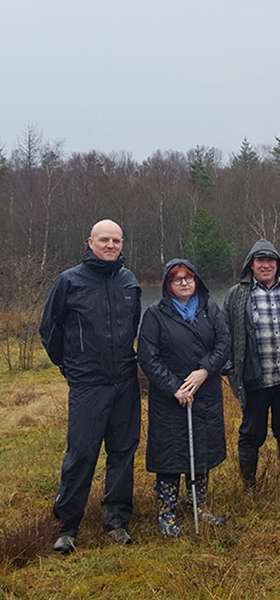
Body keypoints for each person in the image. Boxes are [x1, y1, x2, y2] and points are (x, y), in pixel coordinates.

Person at [39, 219, 141, 554]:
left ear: (122, 243)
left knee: (123, 452)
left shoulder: (129, 281)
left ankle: (116, 521)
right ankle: (67, 526)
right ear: (90, 242)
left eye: (116, 240)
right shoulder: (69, 281)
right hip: (88, 384)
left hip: (125, 381)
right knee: (81, 454)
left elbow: (134, 326)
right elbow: (49, 330)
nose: (111, 245)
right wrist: (70, 367)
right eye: (104, 240)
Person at [137, 259, 231, 537]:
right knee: (170, 456)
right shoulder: (155, 314)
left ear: (196, 280)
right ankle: (166, 512)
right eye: (176, 279)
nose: (183, 282)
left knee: (201, 452)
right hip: (170, 399)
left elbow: (224, 344)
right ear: (168, 285)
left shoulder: (209, 308)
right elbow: (148, 357)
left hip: (206, 393)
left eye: (188, 277)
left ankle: (197, 506)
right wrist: (174, 387)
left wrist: (205, 370)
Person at [223, 240, 280, 494]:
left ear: (278, 263)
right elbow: (224, 332)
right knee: (251, 432)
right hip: (254, 378)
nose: (265, 265)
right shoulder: (236, 295)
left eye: (270, 260)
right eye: (260, 260)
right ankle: (249, 485)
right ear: (251, 264)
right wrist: (229, 366)